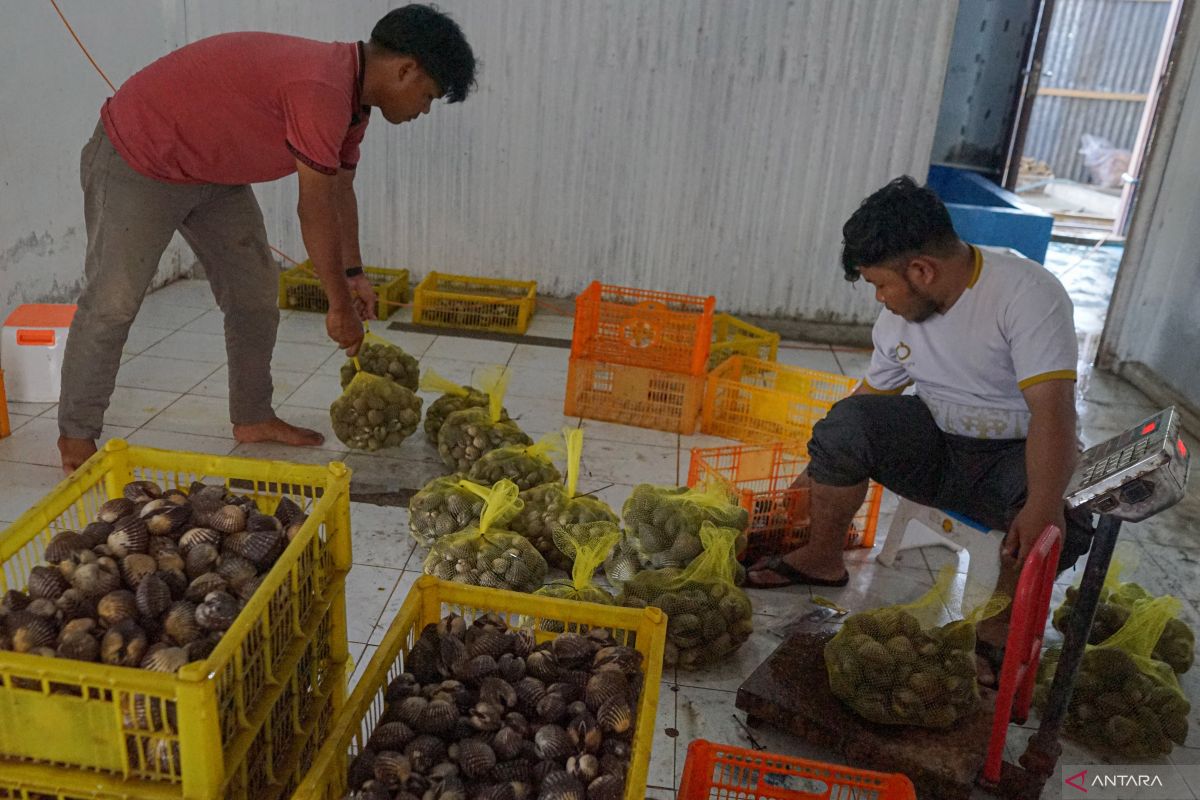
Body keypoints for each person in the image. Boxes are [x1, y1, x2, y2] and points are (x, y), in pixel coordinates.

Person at [57, 5, 476, 473]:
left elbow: (339, 191)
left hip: (212, 173)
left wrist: (354, 274)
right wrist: (338, 306)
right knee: (113, 301)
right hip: (139, 156)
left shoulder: (353, 104)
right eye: (428, 96)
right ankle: (76, 434)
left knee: (254, 295)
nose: (423, 109)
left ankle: (253, 417)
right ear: (405, 70)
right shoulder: (321, 87)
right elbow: (313, 209)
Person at [746, 176, 1093, 682]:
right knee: (844, 424)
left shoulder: (1026, 292)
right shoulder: (898, 322)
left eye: (880, 285)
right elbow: (869, 400)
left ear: (922, 270)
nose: (880, 300)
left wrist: (1042, 505)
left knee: (1068, 513)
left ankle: (1000, 624)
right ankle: (822, 557)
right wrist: (815, 470)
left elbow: (1054, 413)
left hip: (1013, 458)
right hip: (938, 451)